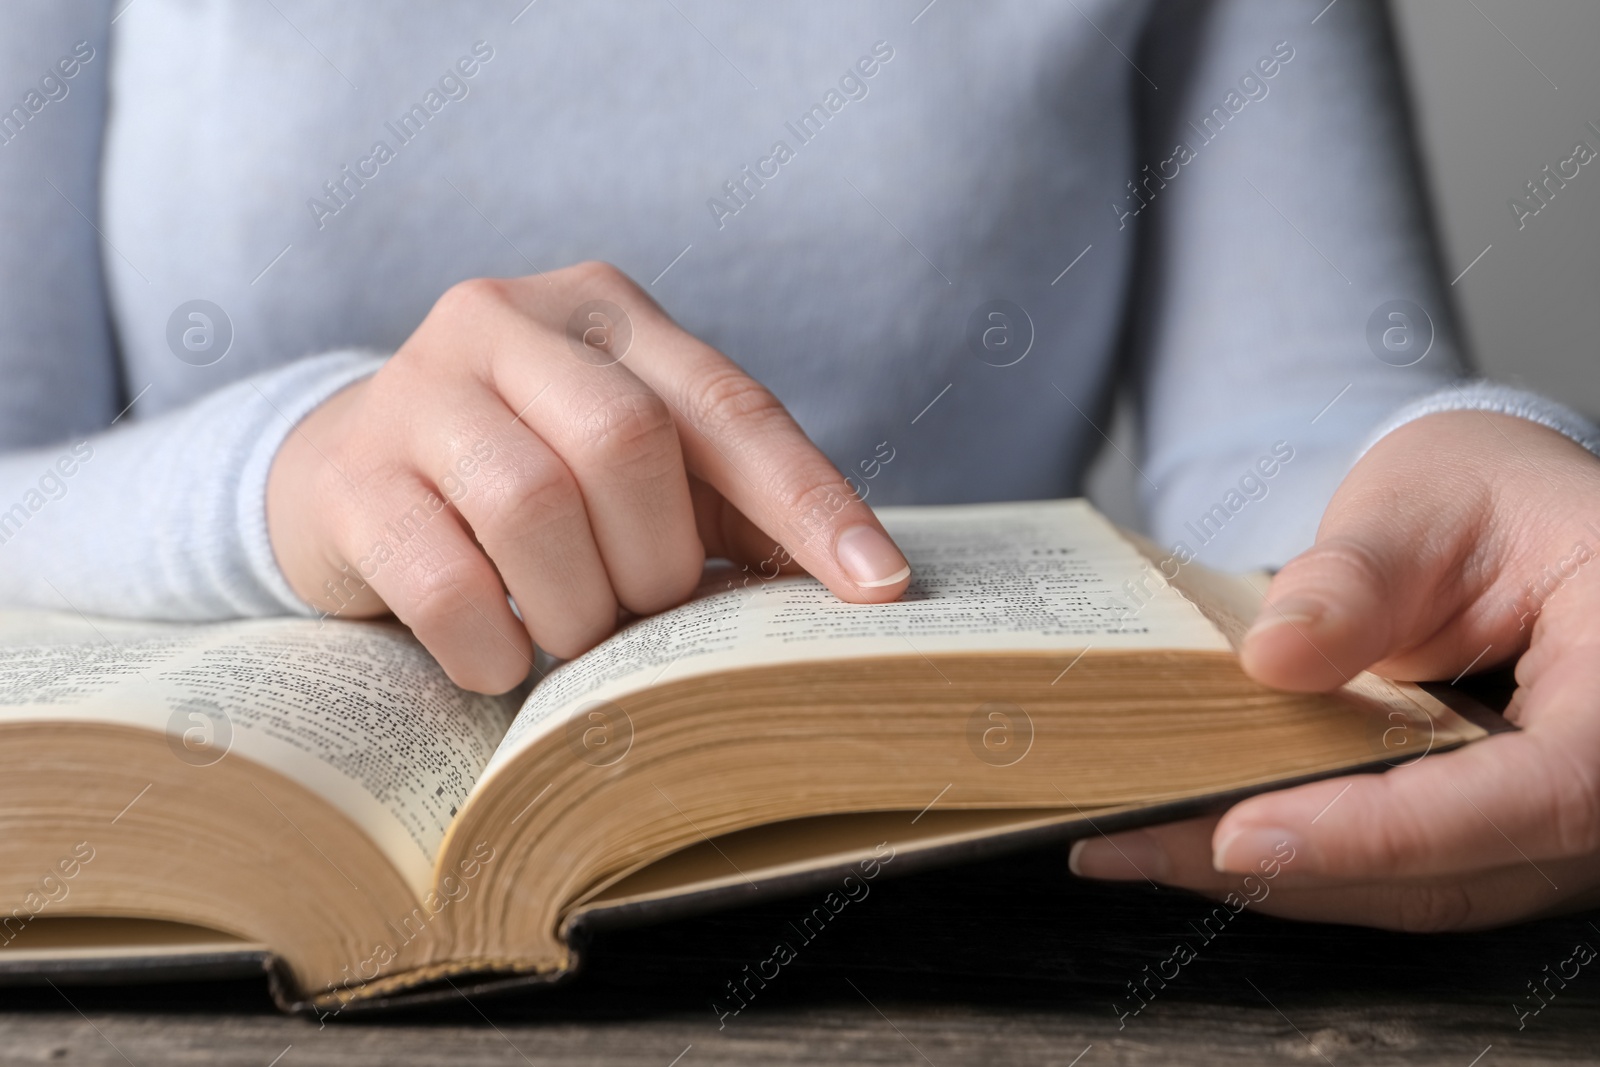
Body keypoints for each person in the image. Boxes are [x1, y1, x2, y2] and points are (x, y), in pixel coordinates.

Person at [2, 0, 1597, 930]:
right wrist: (281, 473)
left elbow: (1293, 419)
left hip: (975, 908)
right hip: (215, 877)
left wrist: (1497, 477)